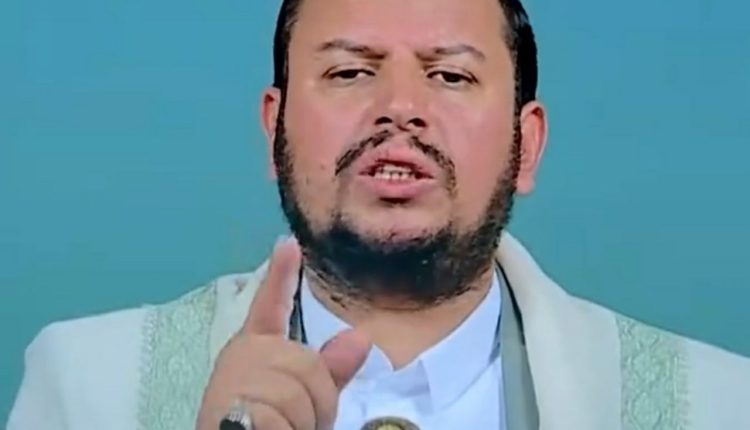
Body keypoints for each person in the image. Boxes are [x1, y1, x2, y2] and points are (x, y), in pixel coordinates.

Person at [8, 0, 750, 429]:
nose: (400, 107)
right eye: (350, 71)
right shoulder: (88, 386)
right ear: (273, 130)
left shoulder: (716, 406)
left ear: (526, 146)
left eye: (449, 75)